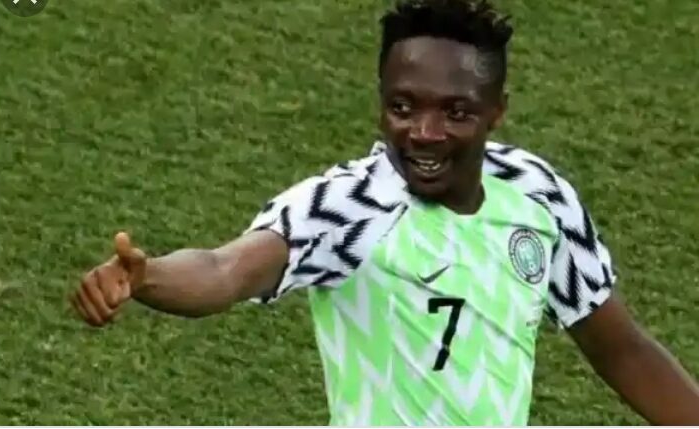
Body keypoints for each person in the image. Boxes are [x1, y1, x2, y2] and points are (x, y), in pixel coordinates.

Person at [69, 0, 699, 425]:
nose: (424, 132)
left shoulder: (539, 197)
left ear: (496, 112)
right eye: (403, 107)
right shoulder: (349, 208)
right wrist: (149, 277)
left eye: (455, 112)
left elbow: (622, 350)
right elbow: (226, 269)